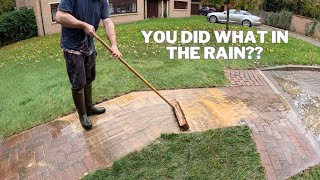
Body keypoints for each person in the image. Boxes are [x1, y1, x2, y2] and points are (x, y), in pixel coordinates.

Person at [56, 0, 122, 129]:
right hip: (72, 47)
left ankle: (89, 107)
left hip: (89, 45)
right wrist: (83, 25)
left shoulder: (102, 1)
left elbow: (107, 22)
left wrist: (114, 45)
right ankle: (82, 115)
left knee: (89, 77)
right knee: (78, 82)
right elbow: (59, 16)